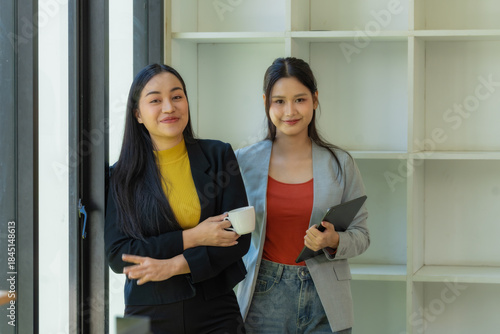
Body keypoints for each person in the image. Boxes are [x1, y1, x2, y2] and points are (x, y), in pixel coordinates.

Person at [105, 63, 250, 334]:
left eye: (177, 96)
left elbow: (238, 237)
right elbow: (119, 256)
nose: (169, 108)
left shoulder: (219, 155)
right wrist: (193, 236)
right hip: (142, 312)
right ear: (138, 114)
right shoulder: (119, 176)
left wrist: (173, 266)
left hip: (215, 308)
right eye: (155, 100)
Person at [235, 57, 369, 333]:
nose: (290, 111)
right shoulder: (243, 162)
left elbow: (362, 236)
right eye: (279, 101)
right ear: (266, 103)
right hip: (264, 294)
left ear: (315, 100)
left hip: (326, 298)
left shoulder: (340, 163)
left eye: (300, 99)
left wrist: (333, 240)